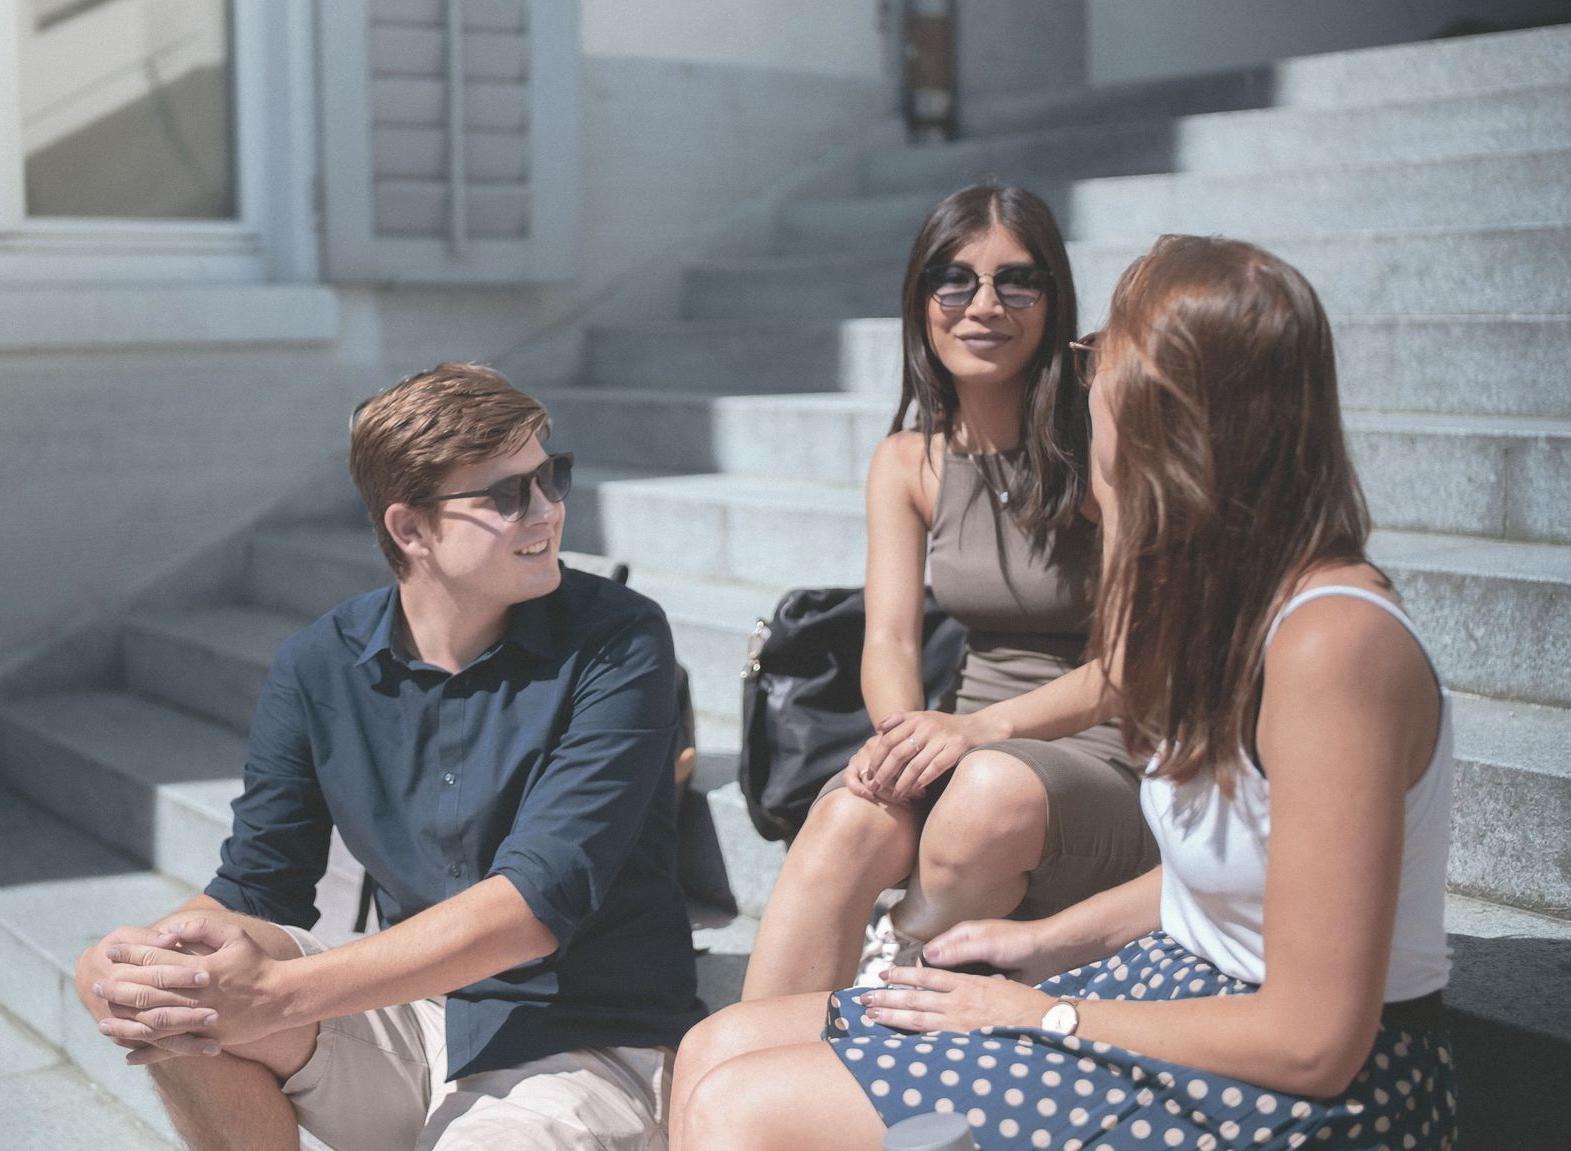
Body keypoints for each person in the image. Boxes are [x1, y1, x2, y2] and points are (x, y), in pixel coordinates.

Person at [669, 235, 1458, 1151]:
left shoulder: (1332, 645)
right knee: (718, 1046)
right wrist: (1043, 945)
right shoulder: (1225, 605)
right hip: (1187, 987)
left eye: (1098, 357)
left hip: (1296, 1084)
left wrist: (1037, 1011)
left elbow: (1315, 1042)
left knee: (743, 1108)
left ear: (1169, 406)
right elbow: (1235, 876)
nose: (1082, 385)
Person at [76, 363, 703, 1151]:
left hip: (580, 1038)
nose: (547, 511)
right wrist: (128, 968)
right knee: (153, 990)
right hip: (413, 1017)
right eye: (507, 495)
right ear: (410, 531)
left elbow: (534, 907)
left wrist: (277, 992)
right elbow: (256, 885)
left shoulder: (619, 638)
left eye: (552, 476)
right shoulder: (318, 664)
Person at [741, 185, 1158, 1000]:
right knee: (847, 815)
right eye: (955, 280)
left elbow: (1135, 664)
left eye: (1017, 282)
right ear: (921, 299)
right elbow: (891, 641)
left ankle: (903, 969)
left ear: (1052, 300)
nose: (985, 306)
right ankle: (747, 1068)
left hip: (1101, 751)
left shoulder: (1102, 446)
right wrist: (906, 740)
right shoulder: (909, 460)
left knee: (983, 797)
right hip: (962, 732)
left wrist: (979, 730)